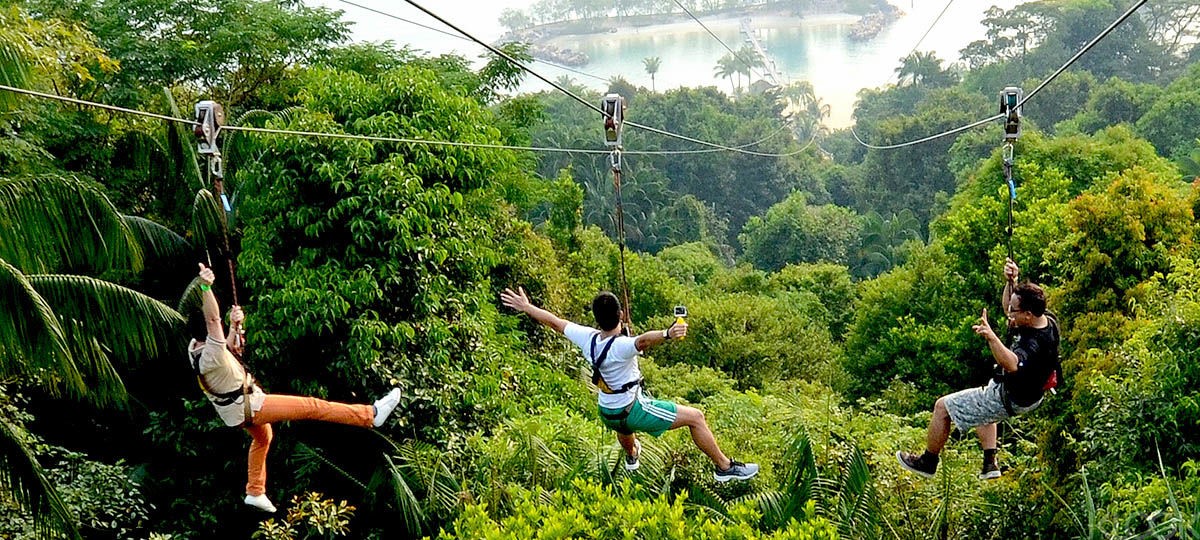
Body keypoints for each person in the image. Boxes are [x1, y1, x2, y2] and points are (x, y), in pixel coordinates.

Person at [188, 263, 403, 512]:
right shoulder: (210, 354)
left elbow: (229, 349)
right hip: (250, 406)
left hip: (237, 411)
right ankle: (370, 415)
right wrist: (206, 288)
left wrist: (234, 327)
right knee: (313, 406)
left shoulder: (197, 352)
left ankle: (255, 491)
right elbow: (213, 320)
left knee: (264, 437)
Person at [500, 287, 759, 482]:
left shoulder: (587, 338)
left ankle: (631, 454)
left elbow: (555, 322)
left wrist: (527, 306)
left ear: (596, 318)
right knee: (696, 417)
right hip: (631, 410)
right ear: (621, 315)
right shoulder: (622, 346)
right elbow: (643, 341)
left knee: (622, 422)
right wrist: (668, 333)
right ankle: (724, 467)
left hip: (607, 413)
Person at [896, 258, 1060, 480]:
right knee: (982, 398)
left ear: (1028, 314)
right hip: (1032, 394)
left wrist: (991, 337)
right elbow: (1010, 307)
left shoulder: (1033, 343)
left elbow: (1012, 364)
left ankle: (928, 462)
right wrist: (1012, 281)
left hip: (1012, 398)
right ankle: (990, 462)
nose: (1009, 314)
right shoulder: (1046, 320)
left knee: (942, 407)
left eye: (1014, 311)